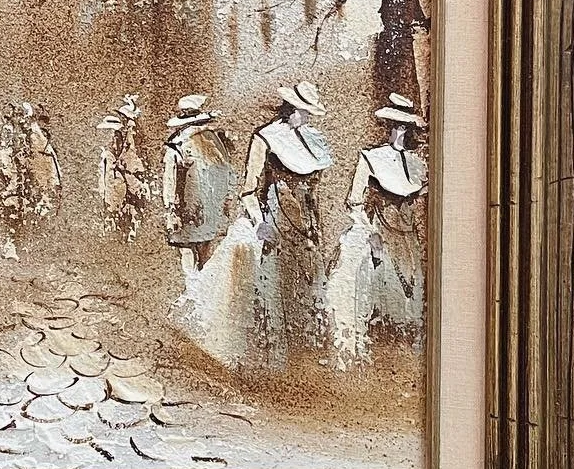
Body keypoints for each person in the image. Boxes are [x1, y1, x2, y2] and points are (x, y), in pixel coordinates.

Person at [172, 83, 332, 374]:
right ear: (291, 109)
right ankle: (264, 364)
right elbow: (248, 191)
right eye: (303, 111)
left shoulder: (313, 139)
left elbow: (312, 194)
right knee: (266, 292)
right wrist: (261, 223)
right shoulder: (265, 138)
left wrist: (315, 226)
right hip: (270, 223)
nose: (306, 117)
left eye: (308, 112)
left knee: (306, 289)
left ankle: (302, 362)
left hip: (302, 228)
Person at [325, 93, 427, 361]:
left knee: (414, 287)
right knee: (369, 279)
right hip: (379, 230)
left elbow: (420, 193)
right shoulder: (371, 157)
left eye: (403, 126)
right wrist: (369, 233)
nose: (398, 131)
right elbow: (354, 201)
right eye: (394, 126)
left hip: (408, 233)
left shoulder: (418, 162)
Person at [161, 93, 235, 281]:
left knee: (186, 248)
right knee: (205, 247)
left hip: (187, 205)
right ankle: (204, 280)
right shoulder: (216, 142)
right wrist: (226, 200)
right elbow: (228, 174)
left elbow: (170, 180)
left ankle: (193, 283)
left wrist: (170, 207)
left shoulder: (177, 144)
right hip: (212, 206)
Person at [0, 101, 62, 256]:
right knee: (11, 212)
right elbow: (5, 158)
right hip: (13, 182)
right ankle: (11, 245)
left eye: (21, 115)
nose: (19, 119)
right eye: (16, 115)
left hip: (31, 184)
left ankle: (28, 247)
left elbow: (44, 162)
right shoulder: (9, 132)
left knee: (30, 214)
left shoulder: (35, 134)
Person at [96, 93, 150, 240]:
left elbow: (128, 176)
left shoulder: (127, 147)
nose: (113, 141)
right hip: (115, 195)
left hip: (124, 195)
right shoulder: (108, 154)